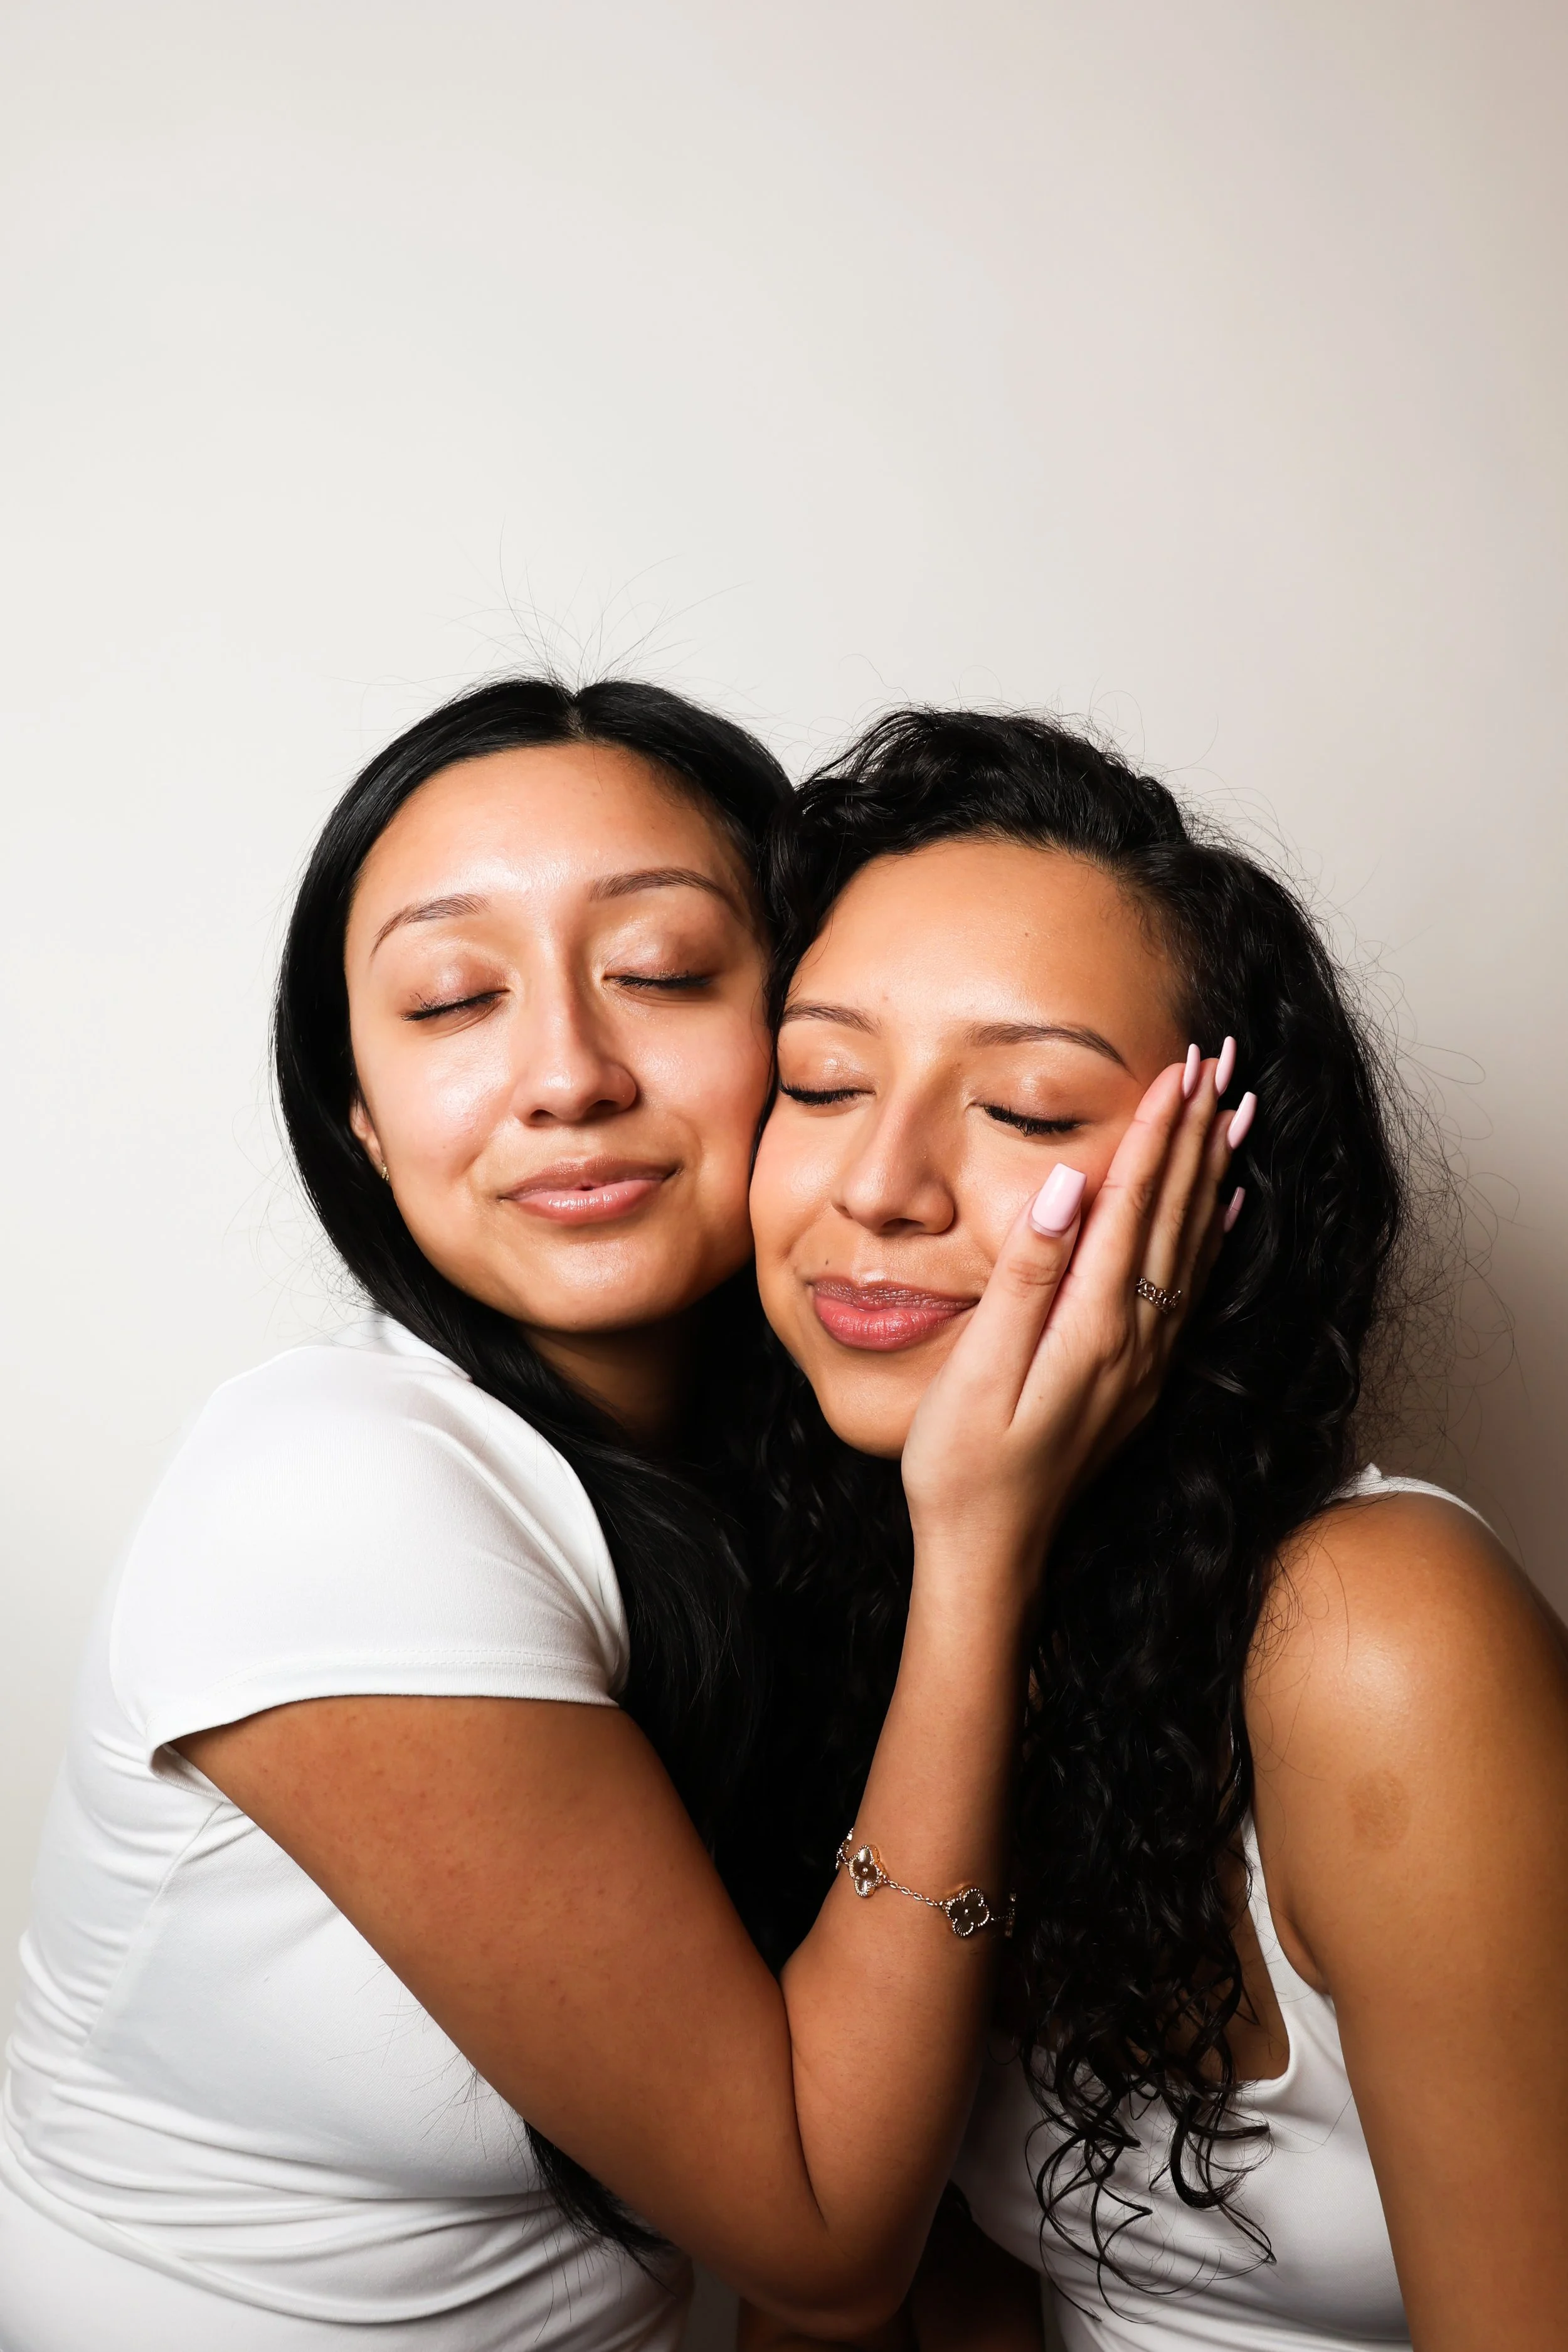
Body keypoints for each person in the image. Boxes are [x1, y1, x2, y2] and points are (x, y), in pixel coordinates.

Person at [0, 679, 1230, 2352]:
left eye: (659, 973)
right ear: (357, 1119)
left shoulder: (777, 1490)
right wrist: (979, 1543)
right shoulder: (337, 1499)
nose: (567, 1072)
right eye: (449, 1000)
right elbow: (822, 2241)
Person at [741, 709, 1568, 2352]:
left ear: (1215, 1203)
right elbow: (876, 2280)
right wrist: (973, 1553)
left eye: (1031, 1112)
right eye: (819, 1079)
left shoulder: (1379, 1635)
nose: (880, 1182)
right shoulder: (841, 1598)